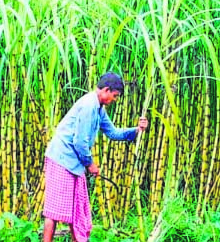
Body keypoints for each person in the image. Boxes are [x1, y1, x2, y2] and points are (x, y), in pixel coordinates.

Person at [42, 72, 148, 242]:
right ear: (106, 90)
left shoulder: (98, 108)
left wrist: (137, 130)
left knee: (76, 207)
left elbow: (113, 132)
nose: (115, 100)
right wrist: (90, 164)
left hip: (73, 162)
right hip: (61, 159)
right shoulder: (89, 106)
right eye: (115, 96)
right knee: (54, 210)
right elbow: (79, 142)